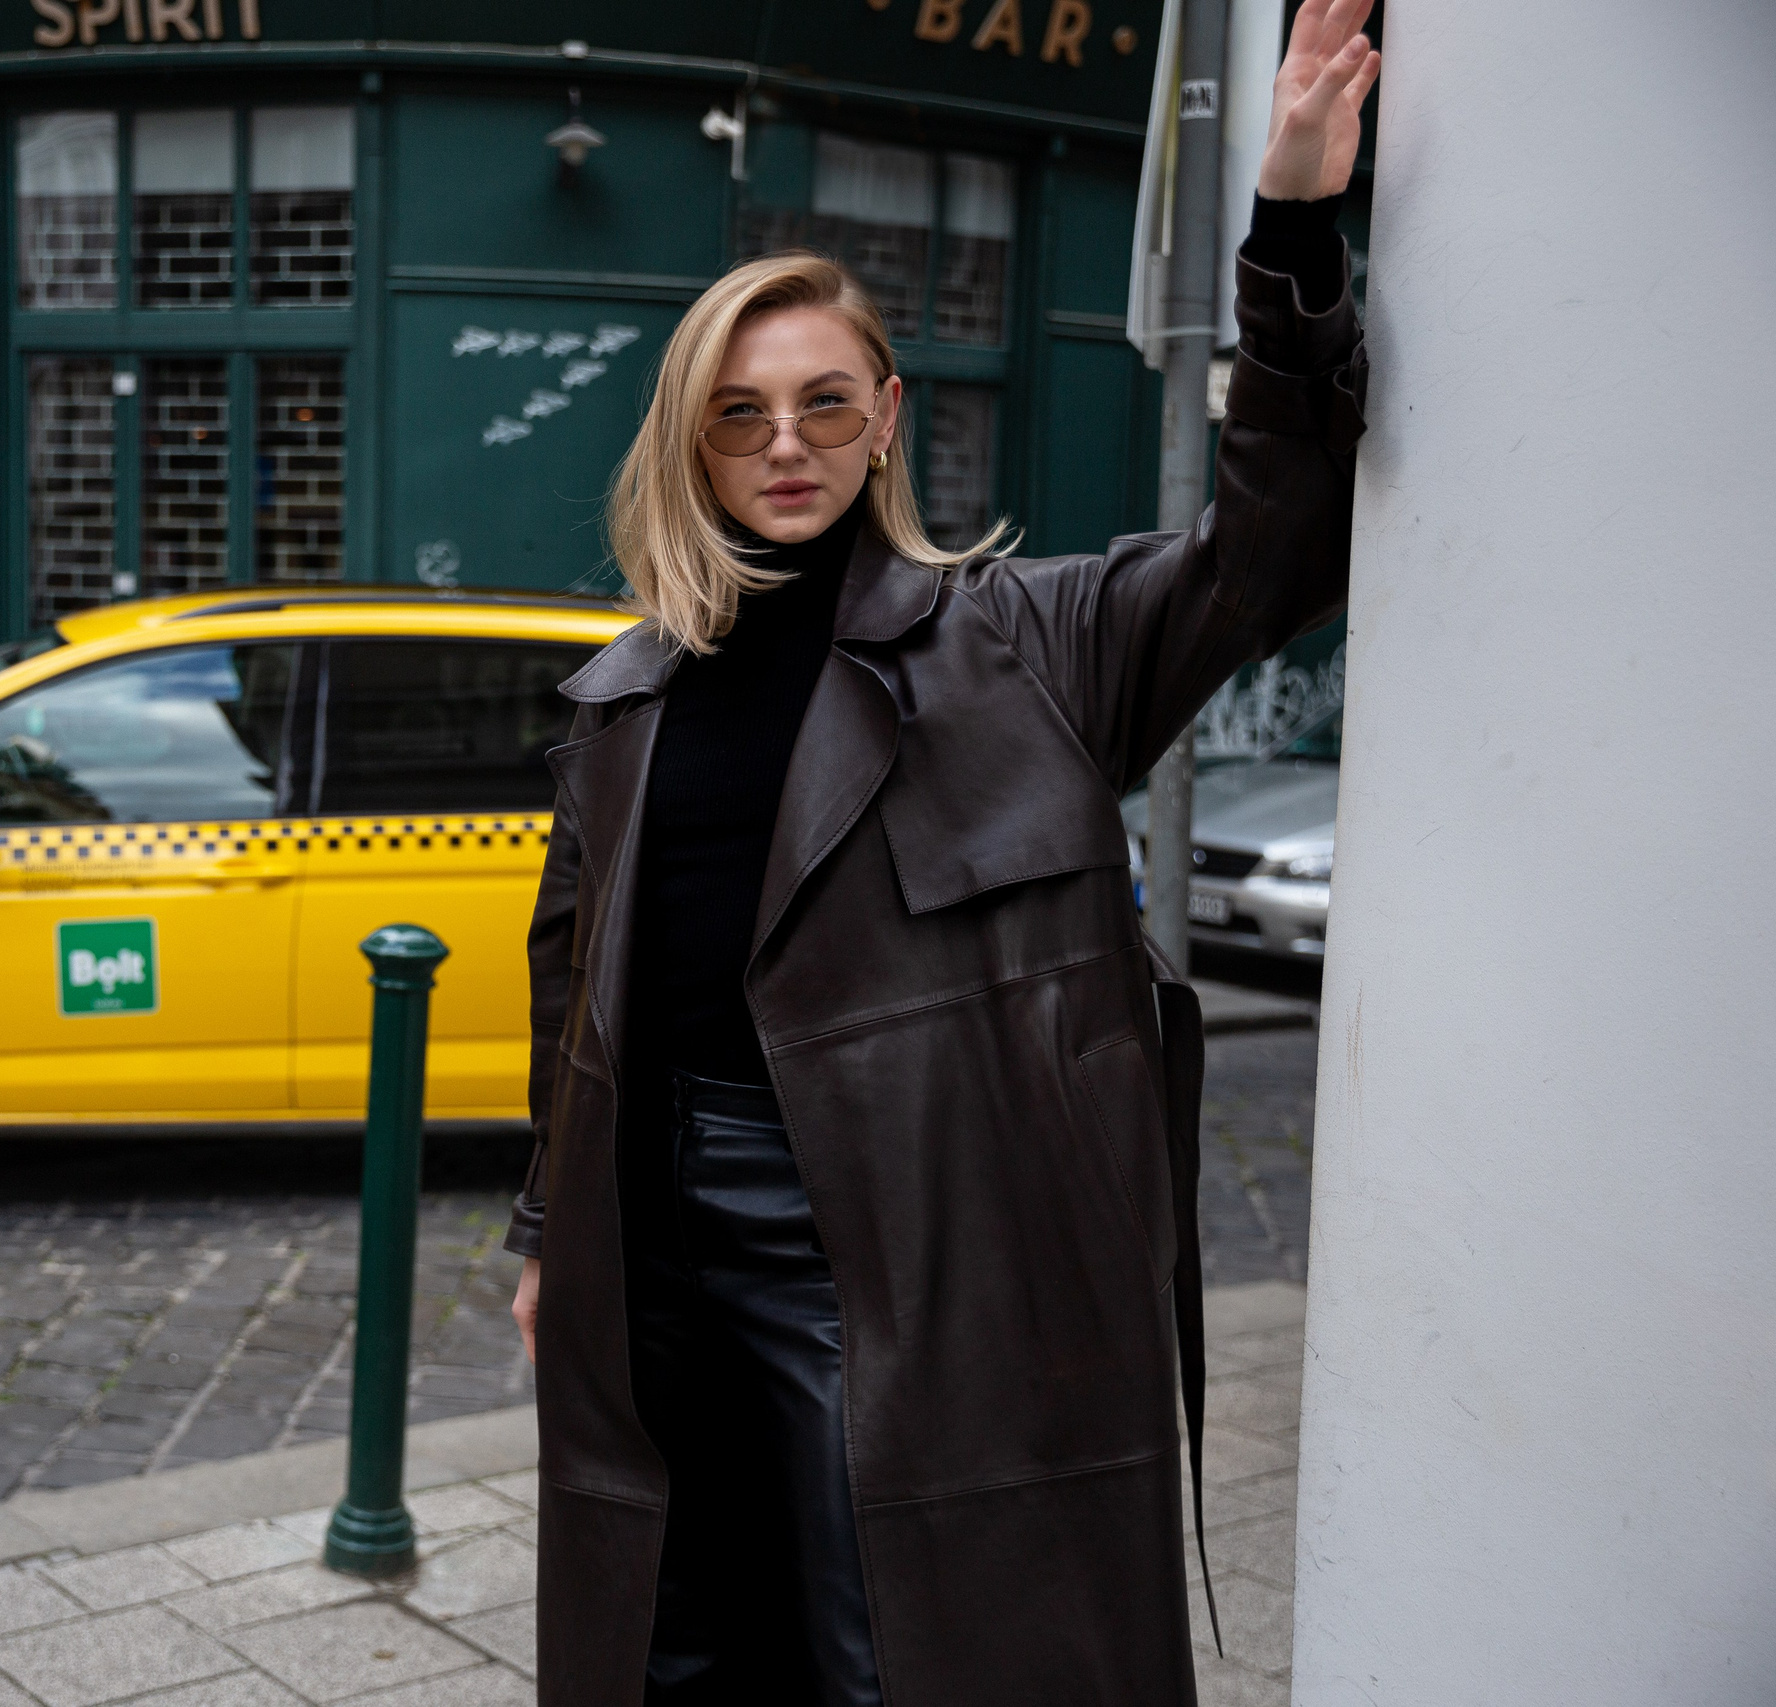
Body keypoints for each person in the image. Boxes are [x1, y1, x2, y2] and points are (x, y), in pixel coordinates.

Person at [503, 3, 1381, 1702]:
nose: (785, 447)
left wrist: (1289, 222)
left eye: (826, 405)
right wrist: (552, 1236)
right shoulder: (621, 705)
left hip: (904, 1241)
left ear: (888, 416)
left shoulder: (1031, 647)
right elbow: (575, 1005)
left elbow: (1278, 540)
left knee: (884, 1649)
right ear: (690, 435)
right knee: (676, 1641)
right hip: (658, 1237)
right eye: (741, 414)